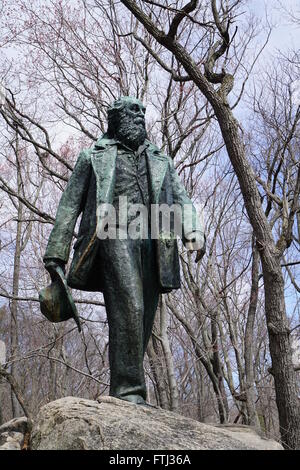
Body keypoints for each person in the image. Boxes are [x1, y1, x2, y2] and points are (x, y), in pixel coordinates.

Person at [43, 96, 205, 406]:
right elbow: (69, 205)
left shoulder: (161, 160)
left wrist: (193, 230)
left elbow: (182, 198)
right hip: (113, 232)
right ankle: (129, 391)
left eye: (142, 114)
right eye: (133, 114)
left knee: (141, 316)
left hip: (157, 236)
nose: (140, 118)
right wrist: (56, 254)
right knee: (130, 307)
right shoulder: (93, 156)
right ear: (116, 120)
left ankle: (126, 384)